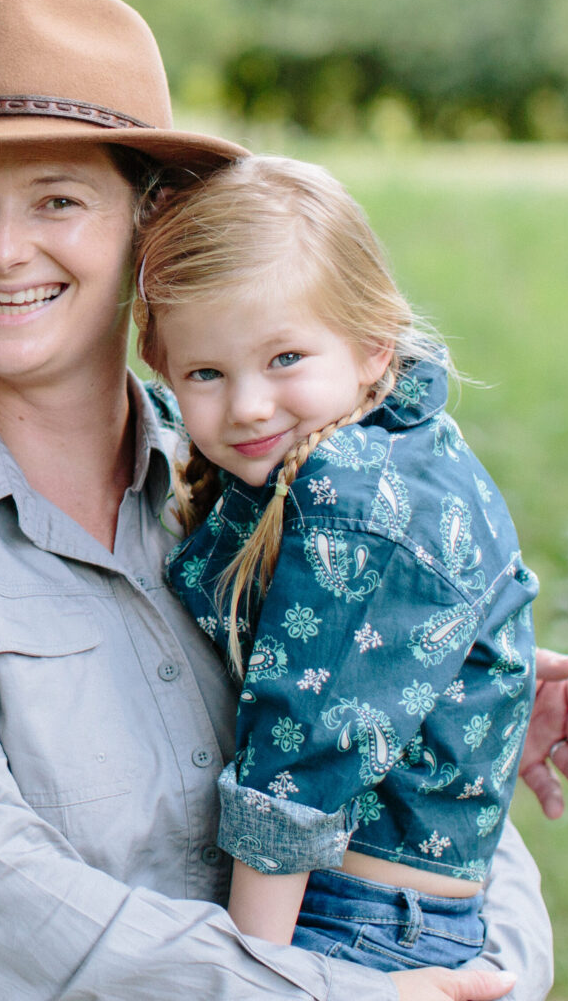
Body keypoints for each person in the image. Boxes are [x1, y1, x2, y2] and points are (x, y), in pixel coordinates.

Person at [0, 0, 568, 1001]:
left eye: (57, 199)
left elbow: (429, 844)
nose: (2, 250)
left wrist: (460, 690)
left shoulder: (275, 490)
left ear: (149, 225)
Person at [135, 155, 537, 972]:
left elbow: (301, 765)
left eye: (285, 360)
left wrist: (257, 975)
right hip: (372, 907)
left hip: (354, 923)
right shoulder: (351, 435)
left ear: (370, 345)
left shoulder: (355, 502)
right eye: (206, 372)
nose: (247, 404)